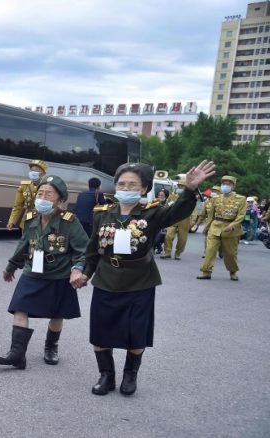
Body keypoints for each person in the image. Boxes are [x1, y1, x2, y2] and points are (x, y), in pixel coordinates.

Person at [71, 160, 215, 397]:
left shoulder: (153, 212)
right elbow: (92, 250)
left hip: (140, 282)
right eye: (122, 184)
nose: (126, 188)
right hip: (106, 280)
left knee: (136, 332)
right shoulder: (102, 214)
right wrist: (82, 271)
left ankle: (130, 375)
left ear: (144, 188)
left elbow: (179, 211)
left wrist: (190, 189)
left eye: (132, 185)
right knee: (101, 330)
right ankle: (106, 375)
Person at [0, 176, 88, 369]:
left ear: (60, 200)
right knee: (19, 306)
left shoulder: (70, 222)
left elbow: (84, 250)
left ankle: (51, 347)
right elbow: (24, 244)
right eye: (40, 194)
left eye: (49, 194)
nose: (42, 198)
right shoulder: (31, 218)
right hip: (33, 271)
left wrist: (77, 269)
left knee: (57, 314)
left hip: (59, 273)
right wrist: (11, 266)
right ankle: (17, 354)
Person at [197, 176, 246, 281]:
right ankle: (206, 271)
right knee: (210, 250)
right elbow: (211, 215)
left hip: (230, 229)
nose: (225, 186)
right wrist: (206, 227)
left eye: (228, 184)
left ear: (233, 186)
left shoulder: (241, 199)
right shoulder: (215, 198)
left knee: (230, 253)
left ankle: (233, 271)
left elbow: (241, 216)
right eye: (223, 184)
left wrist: (232, 226)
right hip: (215, 227)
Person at [6, 160, 48, 232]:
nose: (33, 172)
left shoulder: (48, 186)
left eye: (36, 170)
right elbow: (18, 205)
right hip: (27, 219)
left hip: (42, 220)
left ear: (43, 173)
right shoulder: (24, 186)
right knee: (25, 237)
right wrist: (11, 221)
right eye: (32, 170)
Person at [161, 179, 193, 260]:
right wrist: (164, 215)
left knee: (182, 239)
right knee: (168, 236)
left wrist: (193, 220)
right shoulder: (172, 195)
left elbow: (194, 209)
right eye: (179, 186)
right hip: (173, 218)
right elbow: (166, 205)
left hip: (184, 219)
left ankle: (178, 253)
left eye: (182, 186)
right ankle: (167, 252)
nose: (180, 187)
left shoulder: (190, 196)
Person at [152, 189, 169, 254]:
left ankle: (158, 248)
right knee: (153, 237)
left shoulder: (168, 203)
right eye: (159, 195)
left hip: (163, 224)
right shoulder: (154, 202)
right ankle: (155, 249)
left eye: (162, 195)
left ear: (166, 196)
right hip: (154, 222)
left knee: (158, 238)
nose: (160, 196)